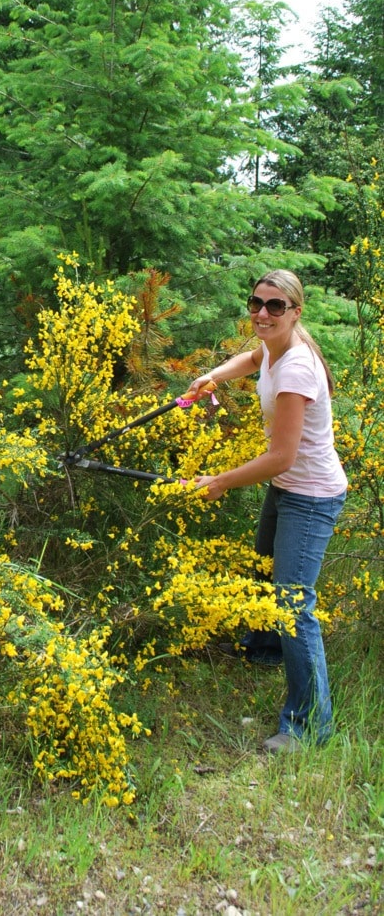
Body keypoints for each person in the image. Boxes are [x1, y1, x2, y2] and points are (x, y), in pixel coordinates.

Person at [185, 270, 347, 754]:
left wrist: (218, 482)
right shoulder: (276, 349)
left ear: (295, 312)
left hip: (311, 496)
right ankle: (265, 650)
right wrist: (214, 376)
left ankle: (309, 726)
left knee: (294, 603)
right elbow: (253, 357)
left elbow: (282, 457)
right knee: (263, 571)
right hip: (287, 489)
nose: (262, 313)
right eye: (256, 303)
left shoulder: (297, 366)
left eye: (275, 306)